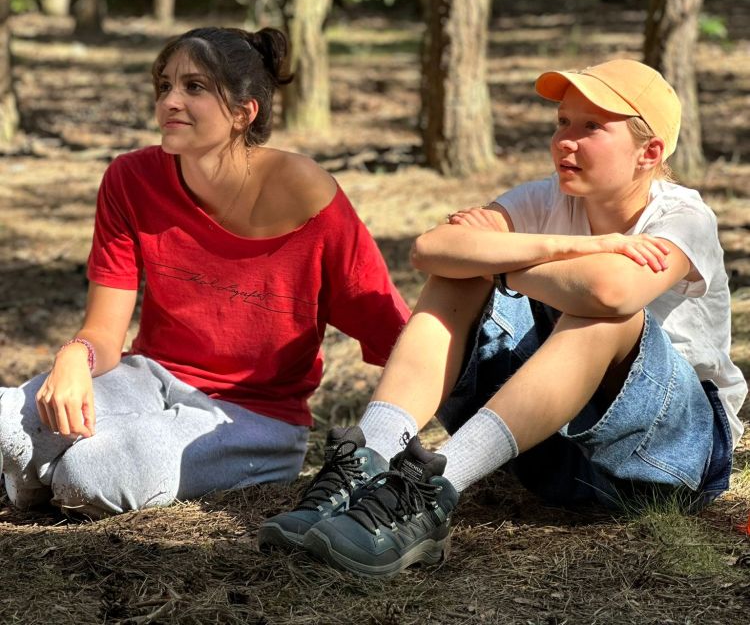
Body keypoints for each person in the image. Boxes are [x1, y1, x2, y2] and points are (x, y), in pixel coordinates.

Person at [260, 58, 747, 578]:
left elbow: (611, 293)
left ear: (649, 153)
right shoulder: (546, 197)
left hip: (669, 460)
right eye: (562, 122)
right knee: (457, 275)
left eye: (590, 127)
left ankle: (433, 490)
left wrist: (499, 260)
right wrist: (569, 247)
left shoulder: (683, 217)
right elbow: (433, 249)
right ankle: (368, 461)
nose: (565, 141)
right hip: (551, 455)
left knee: (603, 315)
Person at [0, 27, 410, 517]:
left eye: (194, 86)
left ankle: (38, 476)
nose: (170, 101)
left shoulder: (306, 194)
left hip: (254, 417)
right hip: (148, 378)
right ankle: (37, 476)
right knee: (6, 423)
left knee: (90, 473)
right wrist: (75, 355)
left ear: (243, 112)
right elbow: (104, 333)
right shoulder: (131, 180)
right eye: (164, 86)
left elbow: (394, 331)